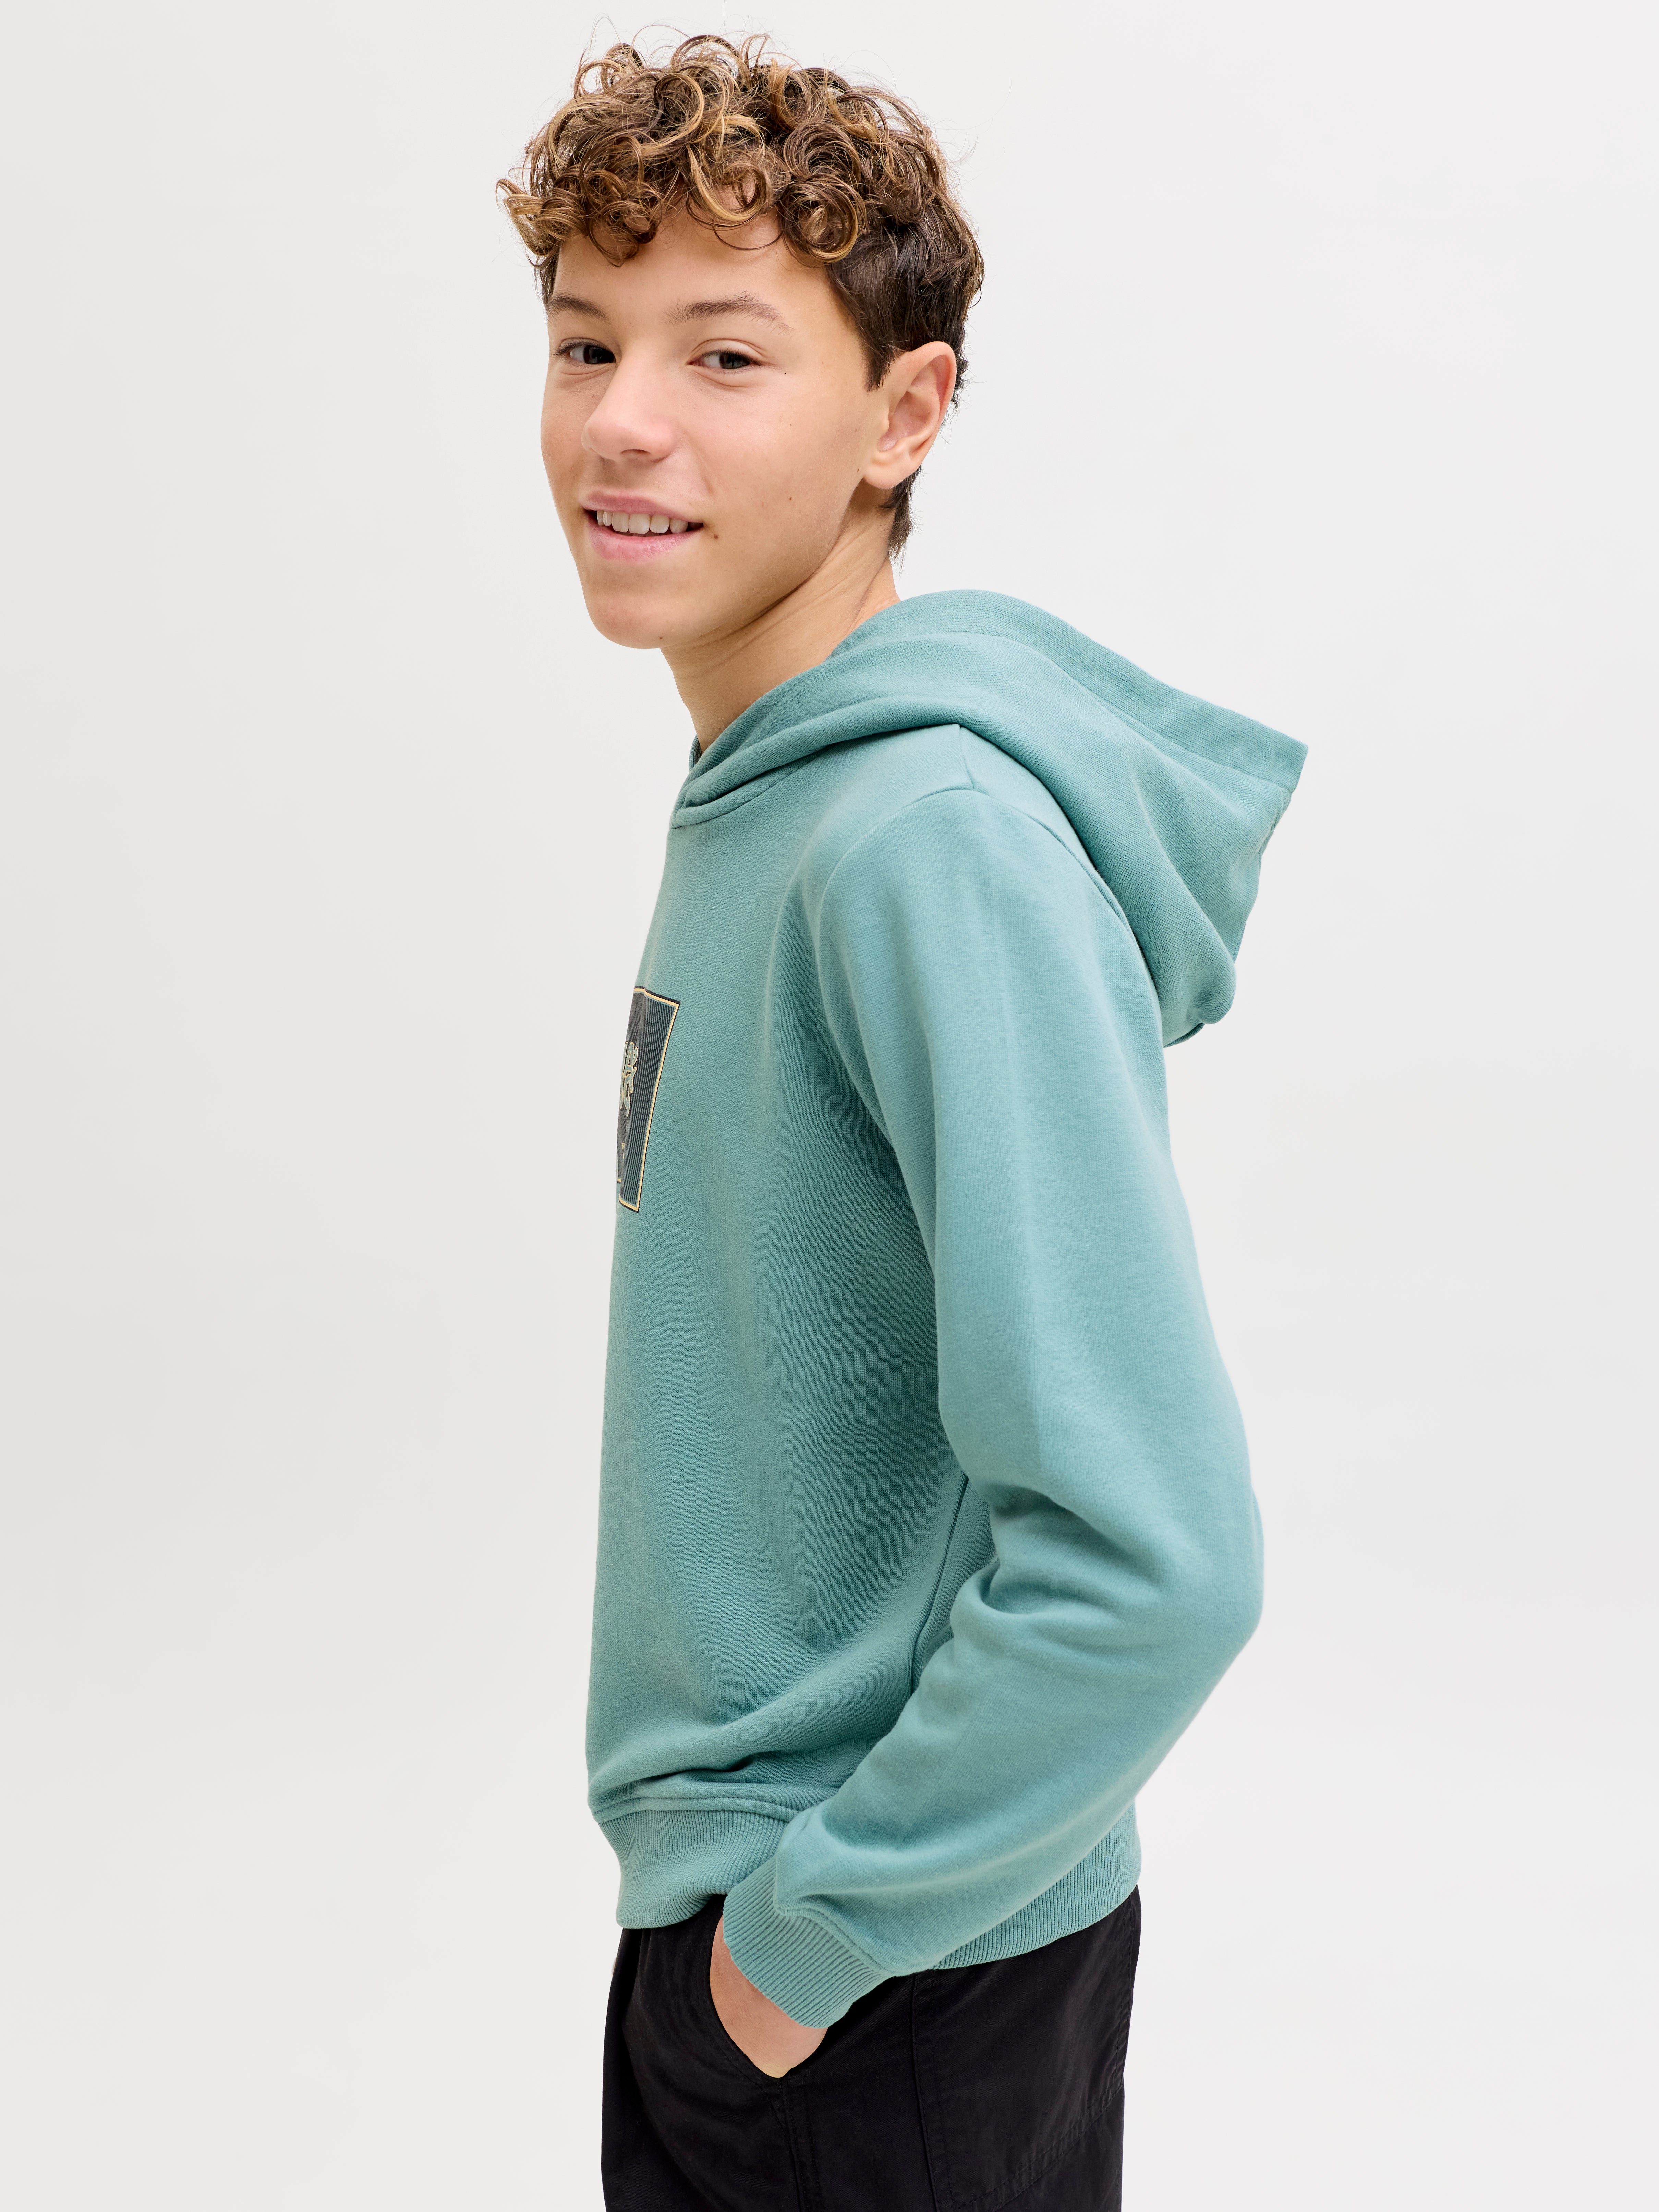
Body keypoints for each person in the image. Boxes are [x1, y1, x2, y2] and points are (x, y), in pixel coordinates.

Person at [500, 34, 1305, 2209]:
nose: (623, 418)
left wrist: (789, 1962)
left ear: (904, 413)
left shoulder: (922, 841)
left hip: (872, 1978)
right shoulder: (771, 795)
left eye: (723, 352)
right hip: (809, 1937)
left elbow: (1154, 1556)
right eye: (584, 340)